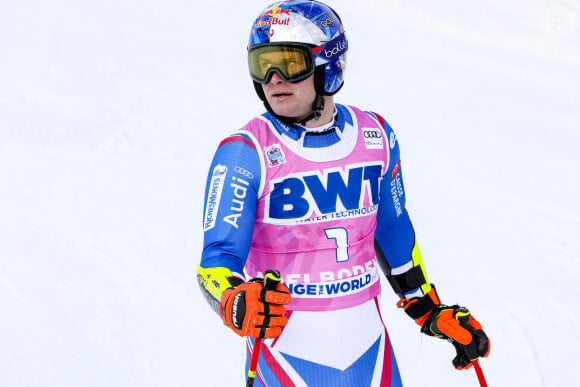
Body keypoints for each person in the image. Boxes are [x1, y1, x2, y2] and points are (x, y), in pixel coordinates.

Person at [197, 1, 490, 385]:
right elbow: (215, 262)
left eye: (288, 62)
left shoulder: (376, 136)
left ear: (328, 65)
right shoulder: (244, 152)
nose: (273, 79)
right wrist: (234, 301)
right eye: (261, 65)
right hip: (284, 354)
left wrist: (429, 309)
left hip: (369, 349)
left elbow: (393, 231)